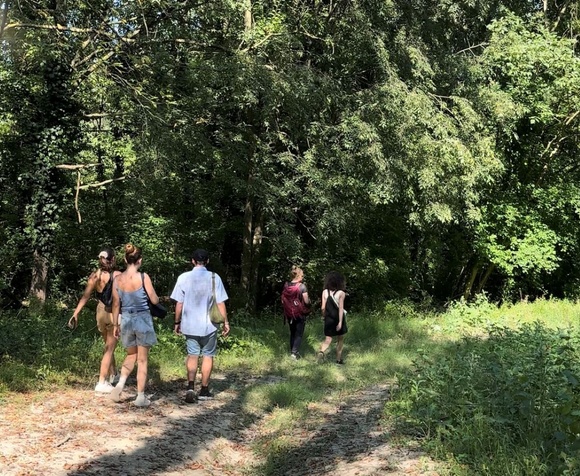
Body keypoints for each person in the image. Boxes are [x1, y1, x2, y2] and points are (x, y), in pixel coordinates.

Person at [171, 249, 230, 403]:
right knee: (208, 355)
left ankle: (191, 387)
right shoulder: (214, 277)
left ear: (193, 261)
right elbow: (220, 302)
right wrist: (225, 322)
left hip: (189, 324)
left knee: (192, 355)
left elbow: (179, 303)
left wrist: (177, 322)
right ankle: (204, 389)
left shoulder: (183, 277)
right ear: (207, 261)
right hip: (209, 325)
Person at [109, 243, 159, 407]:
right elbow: (154, 300)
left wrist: (116, 325)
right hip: (143, 319)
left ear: (125, 259)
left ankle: (120, 385)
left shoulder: (117, 279)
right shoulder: (143, 277)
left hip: (126, 320)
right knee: (143, 360)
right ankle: (140, 396)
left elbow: (116, 304)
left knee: (131, 355)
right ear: (140, 260)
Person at [69, 247, 121, 394]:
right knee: (109, 349)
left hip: (100, 312)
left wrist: (75, 313)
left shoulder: (94, 276)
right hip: (112, 313)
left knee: (108, 346)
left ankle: (114, 373)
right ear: (113, 259)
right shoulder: (117, 275)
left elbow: (85, 296)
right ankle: (102, 381)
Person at [318, 271, 348, 364]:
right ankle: (338, 359)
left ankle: (321, 352)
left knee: (328, 339)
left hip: (328, 319)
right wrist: (340, 322)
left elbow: (323, 307)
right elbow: (341, 309)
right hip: (338, 319)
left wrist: (324, 316)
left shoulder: (324, 292)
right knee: (340, 338)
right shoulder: (341, 293)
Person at [281, 266, 310, 359]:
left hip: (289, 313)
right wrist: (310, 303)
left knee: (292, 332)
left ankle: (292, 352)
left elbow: (282, 299)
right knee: (299, 334)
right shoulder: (302, 286)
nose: (303, 277)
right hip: (299, 313)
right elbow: (306, 301)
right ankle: (294, 353)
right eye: (302, 275)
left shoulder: (286, 285)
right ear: (299, 276)